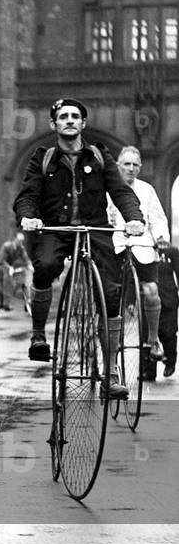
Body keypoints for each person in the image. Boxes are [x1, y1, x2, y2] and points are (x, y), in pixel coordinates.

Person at [13, 98, 144, 399]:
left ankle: (110, 373)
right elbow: (27, 195)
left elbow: (121, 191)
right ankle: (38, 335)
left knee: (111, 292)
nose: (69, 120)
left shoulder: (99, 155)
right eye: (63, 117)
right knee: (45, 266)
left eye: (75, 116)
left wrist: (134, 218)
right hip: (56, 230)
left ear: (83, 124)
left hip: (93, 230)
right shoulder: (42, 157)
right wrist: (28, 216)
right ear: (54, 124)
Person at [106, 146, 168, 374]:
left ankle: (153, 340)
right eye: (127, 164)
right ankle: (109, 355)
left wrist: (161, 237)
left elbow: (158, 219)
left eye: (135, 165)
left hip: (142, 247)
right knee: (113, 300)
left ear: (140, 168)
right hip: (117, 247)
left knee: (151, 290)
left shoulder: (147, 190)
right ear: (118, 166)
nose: (131, 169)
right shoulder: (107, 189)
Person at [0, 231, 32, 311]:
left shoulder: (20, 248)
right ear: (14, 239)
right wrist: (9, 268)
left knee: (21, 277)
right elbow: (2, 260)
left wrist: (30, 265)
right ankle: (5, 303)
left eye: (22, 241)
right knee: (8, 280)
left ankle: (27, 301)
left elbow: (25, 257)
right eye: (19, 240)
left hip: (8, 267)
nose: (20, 242)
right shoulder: (7, 246)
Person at [156, 240, 179, 379]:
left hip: (169, 298)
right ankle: (148, 370)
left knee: (168, 332)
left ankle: (170, 362)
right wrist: (130, 300)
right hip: (148, 298)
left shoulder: (172, 253)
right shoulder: (141, 252)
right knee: (148, 335)